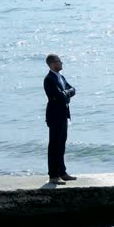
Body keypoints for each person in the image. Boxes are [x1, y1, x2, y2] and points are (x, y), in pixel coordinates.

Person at [44, 54, 77, 184]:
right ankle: (53, 175)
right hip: (54, 115)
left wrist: (67, 93)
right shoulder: (49, 79)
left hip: (63, 114)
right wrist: (67, 94)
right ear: (52, 63)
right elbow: (60, 96)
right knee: (54, 145)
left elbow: (72, 89)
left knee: (62, 144)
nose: (61, 63)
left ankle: (62, 172)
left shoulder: (60, 77)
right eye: (59, 61)